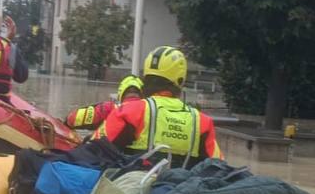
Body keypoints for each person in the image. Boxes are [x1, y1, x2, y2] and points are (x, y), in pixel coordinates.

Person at [92, 46, 224, 166]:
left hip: (132, 190)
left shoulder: (129, 112)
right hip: (181, 191)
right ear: (180, 81)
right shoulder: (202, 122)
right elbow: (218, 166)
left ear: (145, 78)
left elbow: (92, 152)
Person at [65, 75, 143, 130]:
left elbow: (72, 119)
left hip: (110, 152)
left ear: (120, 93)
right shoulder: (151, 111)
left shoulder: (109, 108)